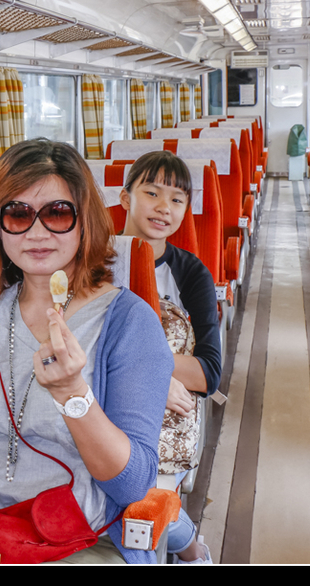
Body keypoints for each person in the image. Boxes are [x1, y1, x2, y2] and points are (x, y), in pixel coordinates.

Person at [0, 138, 172, 564]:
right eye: (17, 214)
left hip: (83, 533)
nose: (37, 232)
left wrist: (74, 394)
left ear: (85, 222)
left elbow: (132, 486)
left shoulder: (129, 323)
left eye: (57, 213)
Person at [119, 150, 221, 565]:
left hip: (165, 419)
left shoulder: (191, 274)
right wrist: (151, 369)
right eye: (151, 192)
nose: (164, 207)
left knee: (133, 507)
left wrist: (144, 362)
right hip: (96, 402)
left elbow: (208, 374)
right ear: (125, 199)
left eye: (177, 199)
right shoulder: (90, 261)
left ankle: (189, 546)